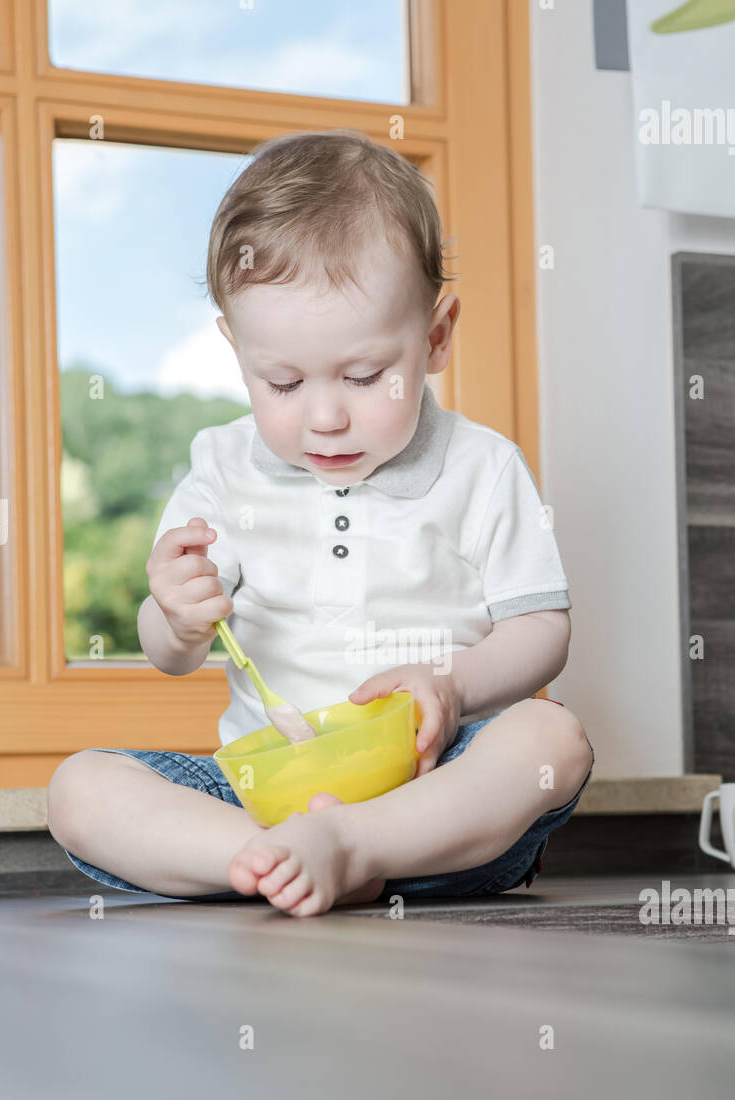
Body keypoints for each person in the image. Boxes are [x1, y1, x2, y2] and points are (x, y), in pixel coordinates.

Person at [48, 129, 594, 917]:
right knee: (79, 789)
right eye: (282, 382)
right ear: (236, 351)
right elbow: (170, 656)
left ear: (436, 337)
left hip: (434, 796)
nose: (326, 417)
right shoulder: (223, 467)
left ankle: (357, 846)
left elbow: (544, 628)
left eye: (366, 376)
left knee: (550, 740)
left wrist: (454, 684)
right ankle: (268, 857)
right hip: (259, 792)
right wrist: (174, 616)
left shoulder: (483, 468)